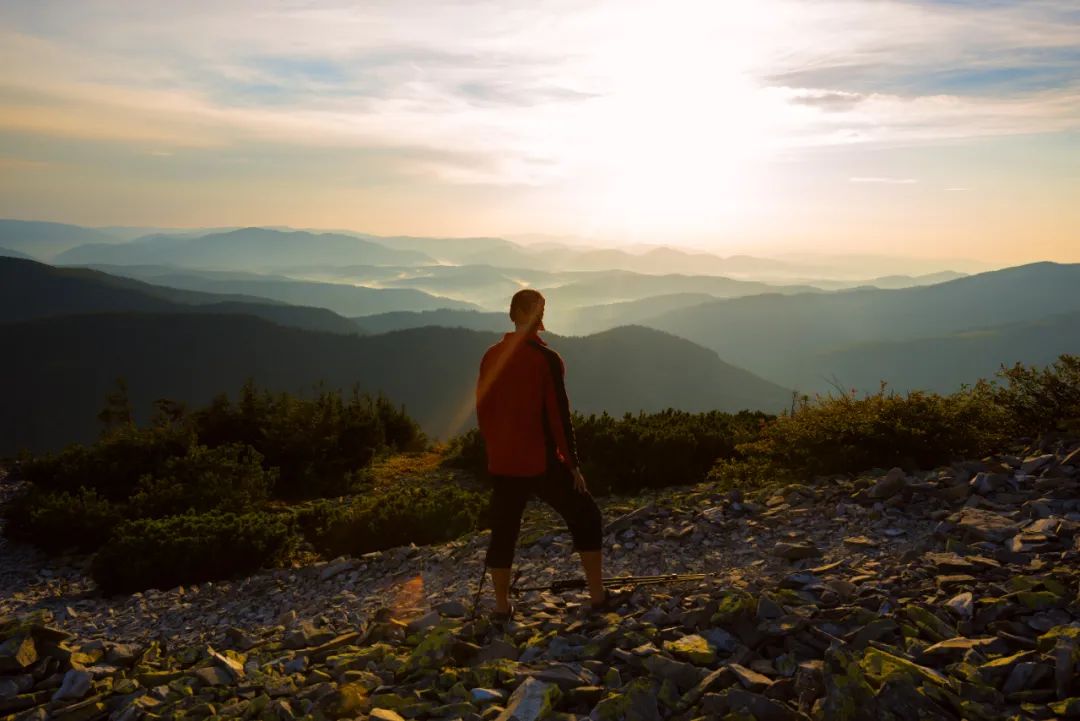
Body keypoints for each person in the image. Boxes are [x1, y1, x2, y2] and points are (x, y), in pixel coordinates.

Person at [476, 289, 614, 619]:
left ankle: (501, 607)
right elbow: (558, 415)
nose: (541, 312)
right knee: (586, 516)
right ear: (532, 313)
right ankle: (597, 597)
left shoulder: (492, 355)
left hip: (503, 461)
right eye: (539, 307)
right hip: (539, 460)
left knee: (504, 530)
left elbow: (483, 410)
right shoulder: (546, 359)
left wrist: (495, 449)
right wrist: (574, 465)